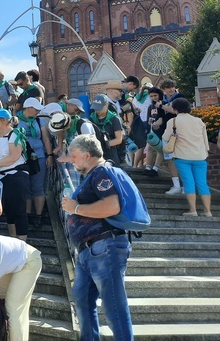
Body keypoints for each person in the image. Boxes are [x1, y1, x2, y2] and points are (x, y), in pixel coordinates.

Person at [60, 134, 133, 341]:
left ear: (87, 154)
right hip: (89, 250)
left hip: (104, 246)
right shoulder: (94, 174)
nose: (71, 160)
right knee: (82, 300)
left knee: (113, 306)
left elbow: (112, 206)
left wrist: (76, 207)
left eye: (74, 156)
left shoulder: (101, 172)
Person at [162, 97, 211, 216]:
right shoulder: (199, 121)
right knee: (202, 183)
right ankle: (207, 211)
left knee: (188, 182)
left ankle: (193, 210)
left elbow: (165, 137)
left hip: (182, 156)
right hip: (200, 156)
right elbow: (205, 141)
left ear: (174, 109)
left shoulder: (173, 121)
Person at [0, 108, 29, 241]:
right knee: (9, 210)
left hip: (16, 175)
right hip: (0, 176)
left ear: (4, 121)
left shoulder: (14, 135)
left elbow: (13, 157)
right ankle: (13, 239)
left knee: (18, 210)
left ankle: (21, 244)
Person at [15, 98, 54, 228]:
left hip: (39, 157)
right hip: (22, 158)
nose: (38, 111)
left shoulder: (39, 121)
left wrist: (49, 155)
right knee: (25, 187)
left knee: (37, 186)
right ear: (28, 108)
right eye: (36, 109)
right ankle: (27, 214)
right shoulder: (16, 121)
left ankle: (38, 215)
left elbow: (46, 139)